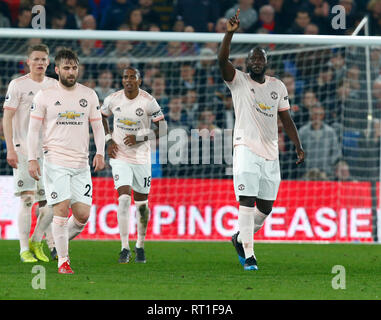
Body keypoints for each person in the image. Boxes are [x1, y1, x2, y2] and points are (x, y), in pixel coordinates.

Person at [218, 9, 304, 271]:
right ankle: (250, 254)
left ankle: (238, 237)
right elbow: (222, 60)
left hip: (271, 153)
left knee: (265, 207)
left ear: (266, 62)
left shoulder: (278, 86)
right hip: (245, 148)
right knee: (246, 200)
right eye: (253, 58)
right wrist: (229, 34)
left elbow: (286, 120)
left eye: (261, 58)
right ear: (247, 62)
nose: (256, 61)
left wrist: (298, 146)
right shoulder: (238, 81)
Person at [27, 48, 105, 274]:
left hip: (81, 164)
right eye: (67, 68)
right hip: (55, 161)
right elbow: (33, 131)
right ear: (57, 69)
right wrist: (32, 159)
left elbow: (98, 127)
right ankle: (63, 260)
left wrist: (100, 152)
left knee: (82, 216)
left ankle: (56, 239)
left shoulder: (89, 95)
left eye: (75, 68)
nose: (72, 72)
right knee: (61, 208)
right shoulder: (45, 96)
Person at [101, 67, 167, 264]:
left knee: (141, 206)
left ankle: (140, 244)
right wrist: (108, 140)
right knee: (123, 199)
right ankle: (124, 247)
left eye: (132, 77)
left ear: (139, 80)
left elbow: (163, 128)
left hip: (141, 158)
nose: (128, 80)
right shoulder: (113, 99)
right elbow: (101, 117)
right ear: (122, 80)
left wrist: (140, 138)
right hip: (120, 156)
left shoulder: (148, 101)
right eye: (125, 77)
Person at [3, 44, 57, 263]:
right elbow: (7, 118)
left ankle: (40, 243)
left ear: (48, 62)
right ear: (28, 61)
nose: (40, 63)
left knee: (48, 202)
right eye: (36, 59)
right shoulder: (17, 85)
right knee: (27, 199)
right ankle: (24, 249)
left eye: (43, 59)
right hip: (24, 150)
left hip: (49, 152)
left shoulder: (54, 85)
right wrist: (10, 148)